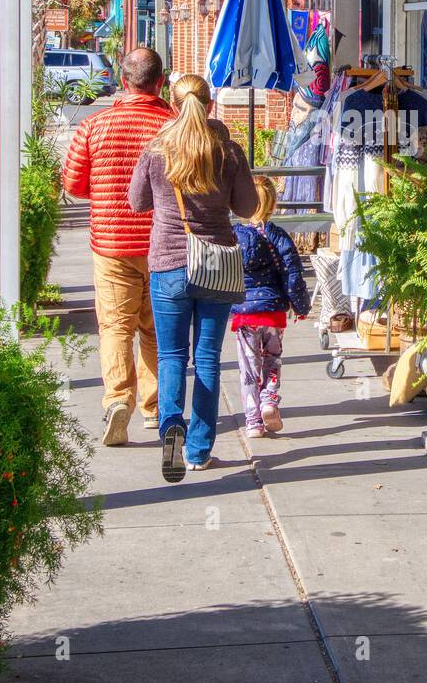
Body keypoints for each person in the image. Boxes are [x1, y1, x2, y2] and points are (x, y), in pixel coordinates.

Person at [128, 74, 258, 482]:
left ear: (172, 104)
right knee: (206, 359)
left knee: (171, 357)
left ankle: (170, 427)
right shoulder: (228, 152)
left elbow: (136, 202)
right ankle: (198, 450)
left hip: (167, 262)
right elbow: (249, 206)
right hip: (216, 265)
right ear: (211, 106)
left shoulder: (156, 150)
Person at [62, 47, 172, 447]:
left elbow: (73, 184)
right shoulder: (173, 125)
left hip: (111, 245)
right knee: (156, 328)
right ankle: (155, 406)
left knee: (114, 326)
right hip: (163, 245)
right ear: (160, 81)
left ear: (124, 81)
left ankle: (117, 400)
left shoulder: (94, 125)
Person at [232, 176, 312, 438]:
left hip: (245, 315)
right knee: (272, 360)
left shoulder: (235, 238)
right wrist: (300, 306)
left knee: (249, 367)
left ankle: (253, 420)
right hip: (274, 313)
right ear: (273, 204)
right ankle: (269, 400)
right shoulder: (279, 237)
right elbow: (293, 275)